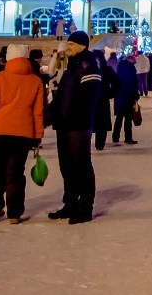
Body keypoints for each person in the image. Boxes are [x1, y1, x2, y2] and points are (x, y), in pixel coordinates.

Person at [0, 44, 46, 223]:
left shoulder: (0, 77)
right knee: (15, 173)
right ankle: (14, 213)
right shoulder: (35, 81)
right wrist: (38, 135)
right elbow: (38, 112)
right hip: (22, 133)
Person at [46, 31, 101, 225]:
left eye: (71, 44)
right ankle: (69, 203)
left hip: (78, 125)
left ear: (82, 45)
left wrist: (76, 117)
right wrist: (50, 116)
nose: (67, 47)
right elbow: (63, 96)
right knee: (66, 166)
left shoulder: (89, 64)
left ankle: (85, 208)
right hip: (65, 124)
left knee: (81, 165)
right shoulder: (73, 65)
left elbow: (90, 97)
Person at [112, 53, 139, 145]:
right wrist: (136, 96)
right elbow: (133, 84)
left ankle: (115, 137)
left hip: (119, 96)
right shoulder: (131, 69)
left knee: (119, 118)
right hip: (128, 96)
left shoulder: (119, 68)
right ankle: (128, 138)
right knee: (128, 118)